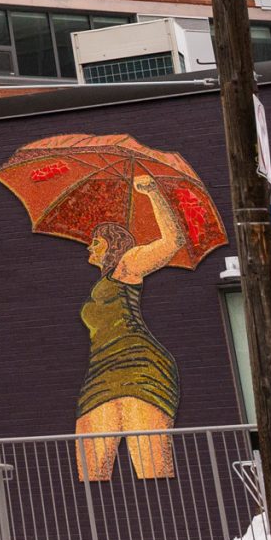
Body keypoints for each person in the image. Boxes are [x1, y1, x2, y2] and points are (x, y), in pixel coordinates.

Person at [74, 173, 185, 482]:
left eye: (96, 242)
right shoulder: (105, 280)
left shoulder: (127, 266)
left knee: (152, 469)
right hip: (101, 373)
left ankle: (168, 520)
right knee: (89, 470)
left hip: (140, 369)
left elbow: (172, 242)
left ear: (113, 245)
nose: (89, 248)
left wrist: (153, 193)